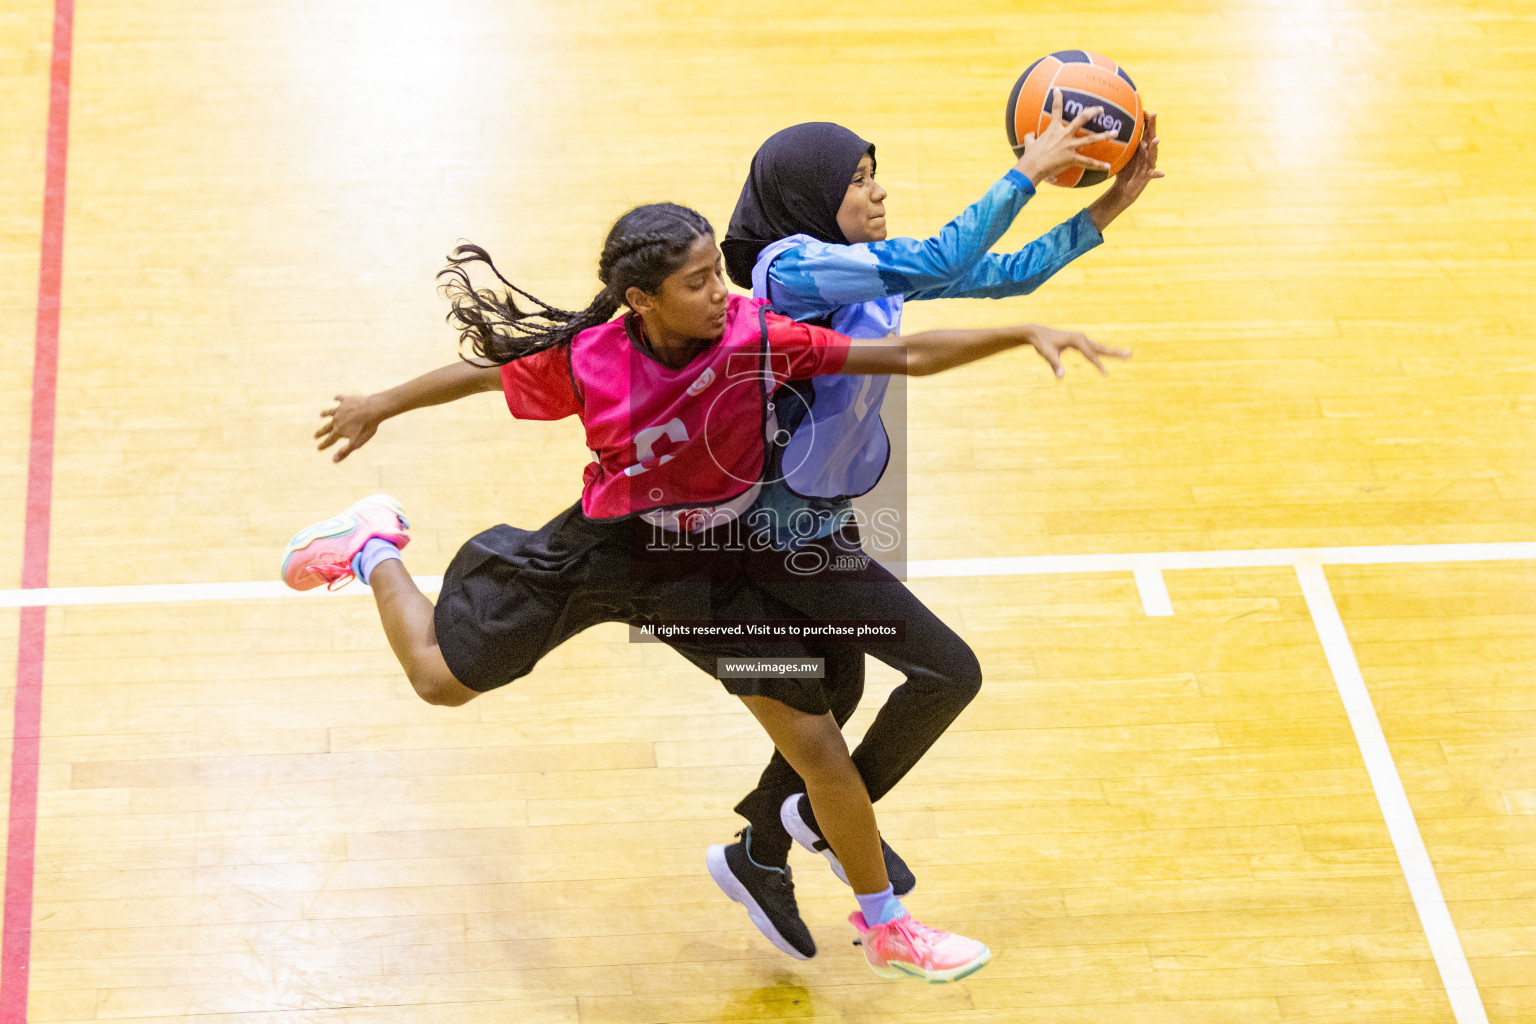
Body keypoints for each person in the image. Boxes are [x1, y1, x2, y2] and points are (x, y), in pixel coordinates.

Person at [282, 200, 1124, 980]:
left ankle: (887, 925)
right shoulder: (591, 360)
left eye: (717, 272)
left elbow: (899, 355)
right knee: (438, 681)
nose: (721, 292)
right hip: (607, 549)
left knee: (816, 741)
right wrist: (379, 405)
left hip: (704, 571)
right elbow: (487, 373)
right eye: (697, 282)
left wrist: (1019, 333)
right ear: (641, 300)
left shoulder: (754, 336)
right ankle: (371, 547)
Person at [706, 91, 1159, 941]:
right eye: (860, 181)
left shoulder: (865, 268)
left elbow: (1005, 271)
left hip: (819, 517)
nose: (878, 195)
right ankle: (826, 819)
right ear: (808, 197)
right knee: (950, 671)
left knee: (835, 688)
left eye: (879, 178)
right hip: (768, 535)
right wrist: (1029, 169)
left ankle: (759, 852)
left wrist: (1108, 205)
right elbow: (950, 249)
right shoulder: (792, 269)